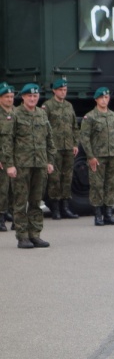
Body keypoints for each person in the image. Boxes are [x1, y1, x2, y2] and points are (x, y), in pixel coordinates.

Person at [1, 84, 55, 248]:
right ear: (23, 97)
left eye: (35, 96)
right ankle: (22, 236)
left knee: (36, 201)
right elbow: (7, 142)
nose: (33, 98)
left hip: (39, 165)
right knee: (20, 202)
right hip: (21, 165)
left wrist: (50, 160)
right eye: (29, 96)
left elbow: (49, 140)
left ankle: (35, 234)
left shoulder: (42, 114)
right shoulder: (15, 115)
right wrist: (9, 165)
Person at [79, 87, 114, 226]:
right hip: (98, 157)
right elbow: (85, 138)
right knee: (97, 186)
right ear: (96, 99)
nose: (104, 100)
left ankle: (109, 214)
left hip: (112, 156)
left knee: (110, 185)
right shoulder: (90, 117)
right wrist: (91, 156)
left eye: (106, 97)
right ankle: (98, 215)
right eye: (101, 98)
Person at [44, 78, 79, 220]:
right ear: (54, 91)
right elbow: (44, 128)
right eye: (60, 90)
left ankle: (65, 207)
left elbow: (74, 127)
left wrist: (75, 143)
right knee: (54, 178)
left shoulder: (69, 106)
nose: (63, 92)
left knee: (67, 177)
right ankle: (55, 208)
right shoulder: (48, 106)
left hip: (68, 147)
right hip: (55, 148)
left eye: (65, 90)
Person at [0, 84, 16, 232]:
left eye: (11, 97)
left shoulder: (17, 113)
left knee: (16, 188)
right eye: (7, 97)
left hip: (17, 157)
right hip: (2, 157)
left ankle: (14, 216)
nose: (10, 99)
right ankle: (1, 217)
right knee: (2, 189)